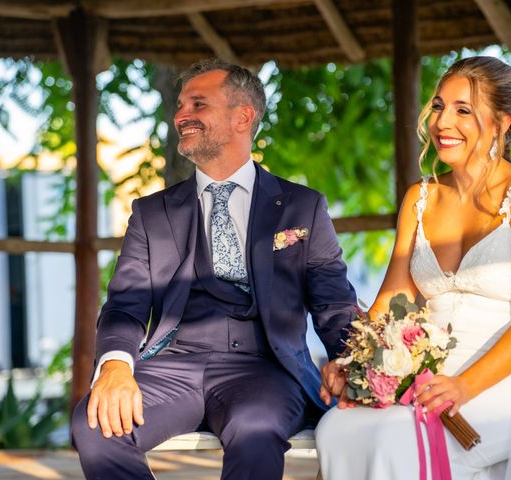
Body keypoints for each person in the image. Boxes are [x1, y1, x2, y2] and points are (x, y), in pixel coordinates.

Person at [316, 56, 511, 479]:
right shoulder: (420, 197)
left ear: (502, 123)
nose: (443, 122)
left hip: (508, 379)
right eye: (439, 106)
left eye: (463, 110)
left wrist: (463, 386)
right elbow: (390, 301)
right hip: (427, 376)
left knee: (395, 441)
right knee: (336, 428)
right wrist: (351, 364)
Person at [71, 59, 357, 480]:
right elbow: (126, 303)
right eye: (181, 104)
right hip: (173, 366)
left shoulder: (302, 207)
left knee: (255, 428)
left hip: (265, 369)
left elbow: (334, 303)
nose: (181, 114)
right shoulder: (152, 213)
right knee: (94, 424)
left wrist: (352, 364)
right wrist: (115, 363)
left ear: (243, 116)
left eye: (198, 104)